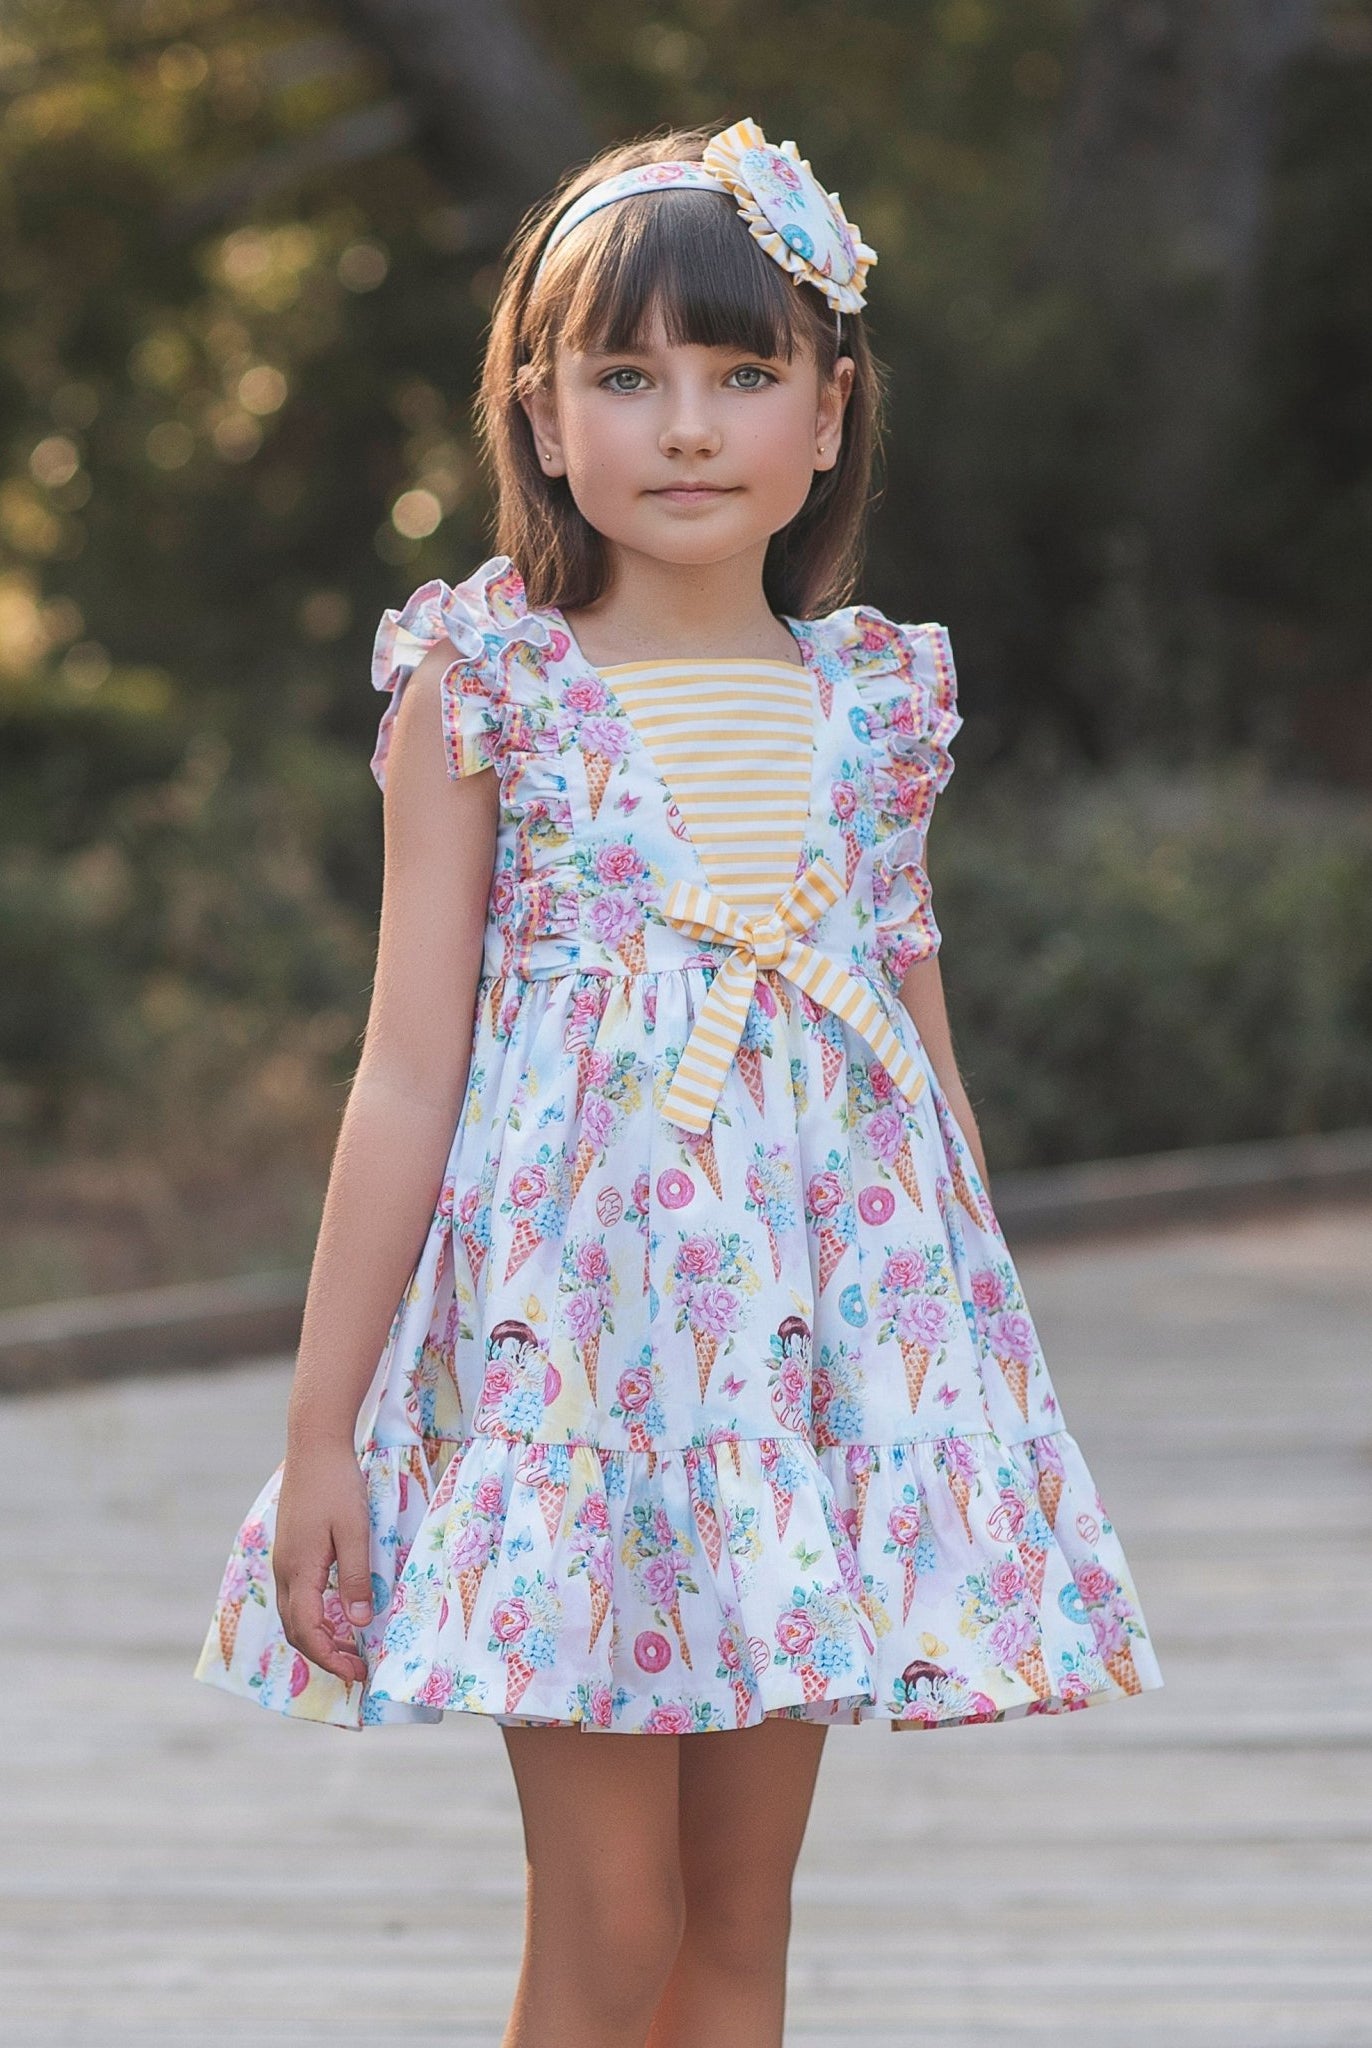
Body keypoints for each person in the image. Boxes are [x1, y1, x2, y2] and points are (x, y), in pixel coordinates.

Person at [194, 116, 1163, 2047]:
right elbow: (404, 1074)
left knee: (738, 1924)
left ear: (828, 413)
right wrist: (323, 1435)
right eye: (628, 377)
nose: (692, 425)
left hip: (798, 1393)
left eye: (744, 374)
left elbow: (923, 1088)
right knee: (609, 1916)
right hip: (588, 1394)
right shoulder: (494, 688)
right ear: (544, 420)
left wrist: (962, 1415)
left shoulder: (872, 704)